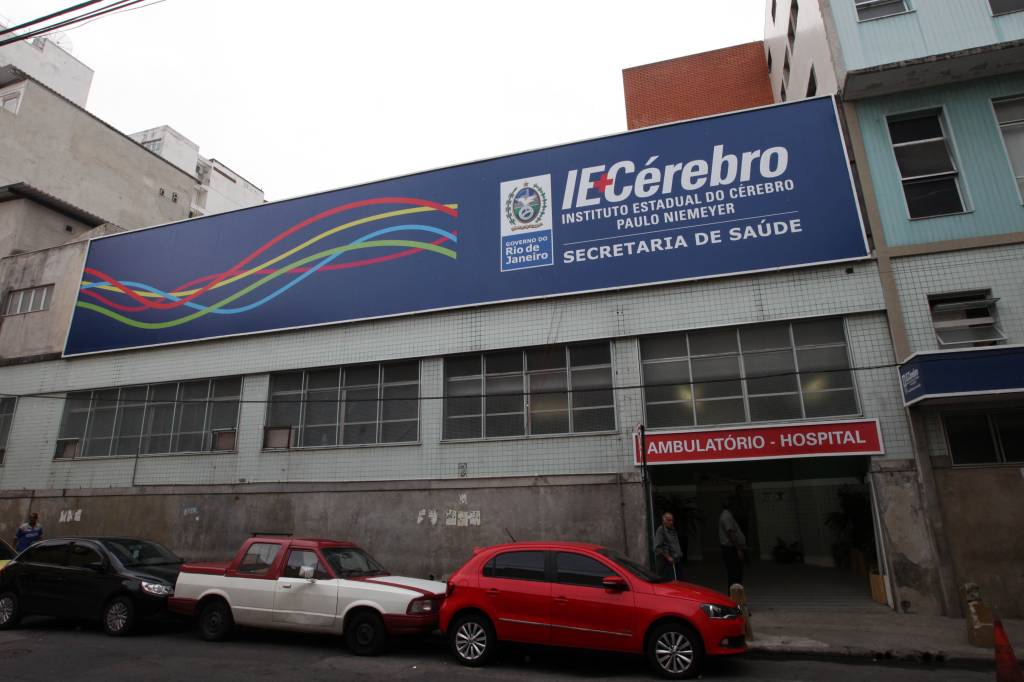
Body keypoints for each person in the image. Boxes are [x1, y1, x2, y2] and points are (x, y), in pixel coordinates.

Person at [719, 500, 745, 591]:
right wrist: (738, 549)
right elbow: (731, 533)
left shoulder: (728, 515)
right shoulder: (726, 516)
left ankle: (737, 595)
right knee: (734, 575)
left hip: (731, 548)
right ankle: (735, 596)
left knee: (736, 573)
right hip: (731, 549)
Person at [653, 512, 683, 581]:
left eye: (672, 520)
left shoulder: (673, 530)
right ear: (664, 521)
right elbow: (657, 548)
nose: (671, 522)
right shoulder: (661, 530)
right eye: (669, 520)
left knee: (680, 581)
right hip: (666, 563)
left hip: (676, 561)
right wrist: (668, 557)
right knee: (669, 582)